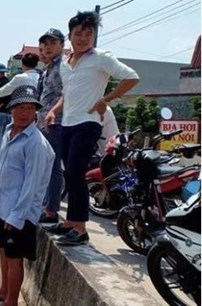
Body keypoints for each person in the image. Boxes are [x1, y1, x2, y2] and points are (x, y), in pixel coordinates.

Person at [43, 11, 139, 246]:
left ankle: (81, 229)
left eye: (89, 33)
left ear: (94, 36)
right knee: (69, 173)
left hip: (88, 123)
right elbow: (67, 94)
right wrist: (54, 110)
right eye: (79, 33)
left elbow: (132, 77)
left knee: (76, 173)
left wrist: (106, 99)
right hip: (67, 123)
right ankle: (69, 223)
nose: (84, 38)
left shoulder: (100, 58)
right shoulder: (66, 64)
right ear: (71, 35)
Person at [0, 85, 55, 306]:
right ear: (11, 109)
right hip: (4, 206)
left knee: (14, 258)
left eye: (30, 108)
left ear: (36, 112)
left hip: (19, 213)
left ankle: (11, 301)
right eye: (20, 107)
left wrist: (17, 216)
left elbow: (31, 186)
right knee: (3, 251)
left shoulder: (36, 143)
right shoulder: (9, 131)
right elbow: (0, 167)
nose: (24, 112)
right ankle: (3, 291)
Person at [0, 56, 40, 162]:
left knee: (0, 141)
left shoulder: (19, 78)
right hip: (35, 114)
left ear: (23, 64)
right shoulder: (41, 77)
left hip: (12, 114)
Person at [36, 28, 67, 224]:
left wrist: (53, 112)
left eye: (52, 43)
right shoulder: (49, 68)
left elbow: (68, 93)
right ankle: (47, 206)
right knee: (46, 167)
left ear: (62, 46)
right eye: (45, 44)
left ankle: (51, 211)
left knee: (53, 168)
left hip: (56, 123)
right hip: (44, 123)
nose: (47, 47)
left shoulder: (63, 66)